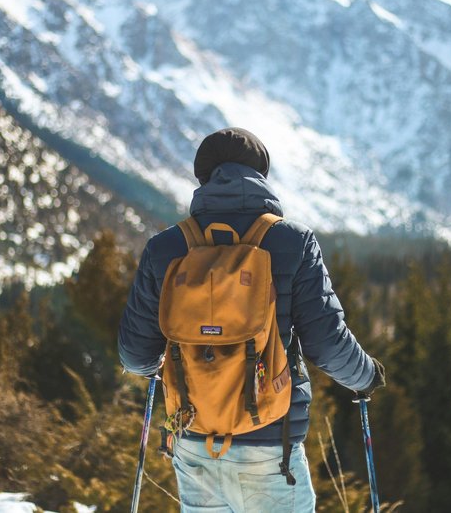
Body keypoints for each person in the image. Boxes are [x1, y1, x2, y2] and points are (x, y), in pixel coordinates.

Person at [118, 127, 385, 512]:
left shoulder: (166, 248)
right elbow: (327, 343)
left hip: (194, 439)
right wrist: (366, 377)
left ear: (203, 177)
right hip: (270, 443)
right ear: (260, 175)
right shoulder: (293, 242)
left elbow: (134, 355)